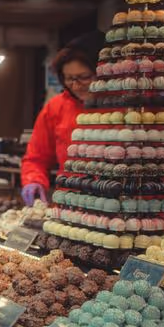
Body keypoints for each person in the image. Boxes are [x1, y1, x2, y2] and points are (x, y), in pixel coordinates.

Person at [21, 32, 103, 206]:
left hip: (121, 208)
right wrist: (33, 180)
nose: (76, 85)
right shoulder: (56, 108)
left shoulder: (131, 106)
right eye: (69, 78)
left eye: (84, 77)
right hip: (69, 207)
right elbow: (36, 158)